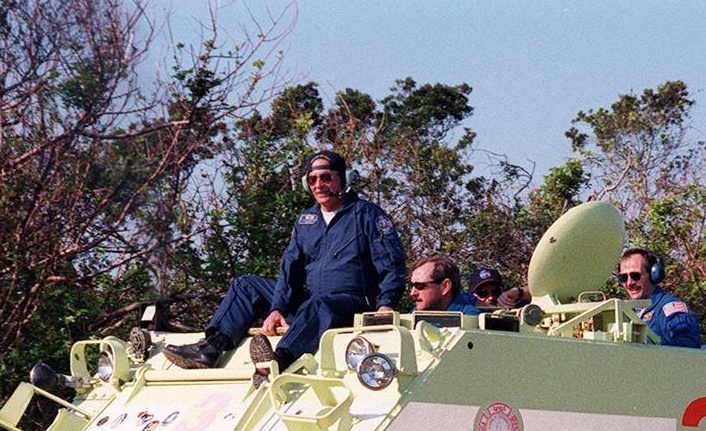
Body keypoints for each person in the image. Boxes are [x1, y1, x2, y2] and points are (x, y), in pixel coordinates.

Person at [164, 151, 407, 383]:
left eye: (325, 178)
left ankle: (278, 361)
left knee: (319, 303)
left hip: (352, 304)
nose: (318, 185)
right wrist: (278, 307)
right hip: (313, 303)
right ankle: (211, 348)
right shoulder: (306, 221)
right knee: (245, 285)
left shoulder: (368, 215)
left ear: (342, 178)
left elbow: (391, 263)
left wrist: (386, 303)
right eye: (312, 180)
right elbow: (289, 270)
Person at [617, 249, 700, 348]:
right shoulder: (625, 313)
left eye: (635, 276)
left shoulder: (671, 311)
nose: (629, 283)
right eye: (623, 278)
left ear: (654, 274)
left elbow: (689, 353)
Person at [410, 256, 480, 314]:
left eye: (419, 285)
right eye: (411, 285)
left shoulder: (470, 319)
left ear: (445, 286)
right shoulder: (414, 314)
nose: (412, 293)